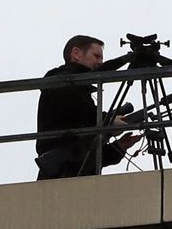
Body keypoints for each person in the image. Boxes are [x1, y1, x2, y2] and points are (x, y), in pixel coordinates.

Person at [35, 35, 142, 180]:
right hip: (61, 175)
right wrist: (107, 121)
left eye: (102, 58)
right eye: (96, 56)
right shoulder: (61, 80)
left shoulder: (78, 88)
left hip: (76, 175)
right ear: (76, 54)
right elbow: (77, 111)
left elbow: (88, 153)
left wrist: (120, 146)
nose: (100, 62)